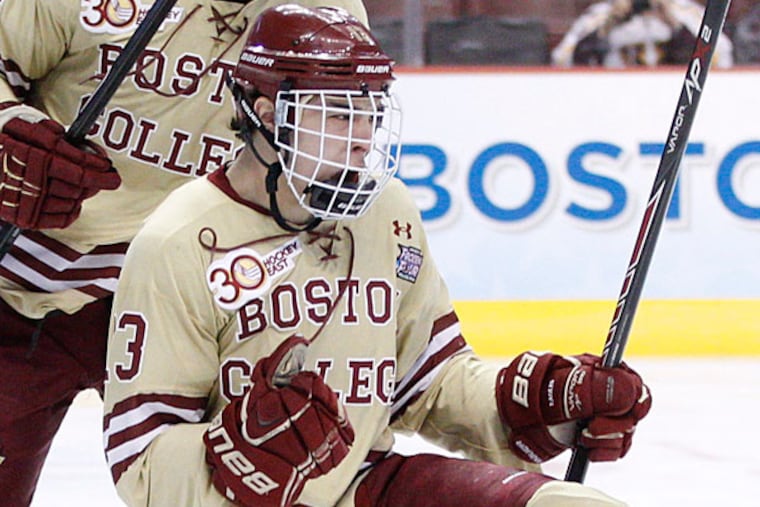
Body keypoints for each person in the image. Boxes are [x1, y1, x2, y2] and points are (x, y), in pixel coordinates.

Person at [103, 5, 653, 506]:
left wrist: (540, 404)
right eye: (341, 116)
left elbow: (430, 383)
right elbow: (140, 460)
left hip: (369, 486)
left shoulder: (385, 212)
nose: (364, 138)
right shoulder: (178, 239)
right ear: (268, 114)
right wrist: (239, 456)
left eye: (370, 114)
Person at [0, 1, 368, 505]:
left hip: (194, 303)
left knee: (241, 481)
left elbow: (324, 165)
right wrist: (6, 131)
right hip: (24, 286)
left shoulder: (326, 11)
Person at [551, 0, 734, 68]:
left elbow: (722, 58)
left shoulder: (685, 11)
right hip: (614, 98)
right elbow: (561, 60)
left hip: (675, 96)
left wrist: (675, 26)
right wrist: (606, 28)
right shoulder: (602, 14)